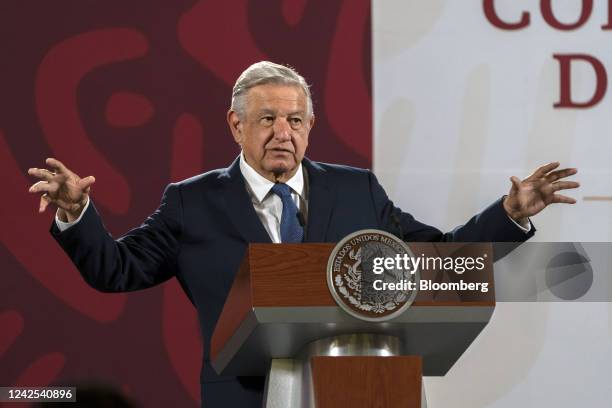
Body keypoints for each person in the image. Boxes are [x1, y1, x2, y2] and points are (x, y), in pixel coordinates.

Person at [27, 61, 579, 407]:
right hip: (245, 398)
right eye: (266, 119)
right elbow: (115, 270)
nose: (282, 133)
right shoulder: (190, 202)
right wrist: (78, 214)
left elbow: (435, 258)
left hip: (361, 391)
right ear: (235, 125)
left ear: (311, 127)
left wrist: (509, 211)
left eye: (295, 120)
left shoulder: (356, 190)